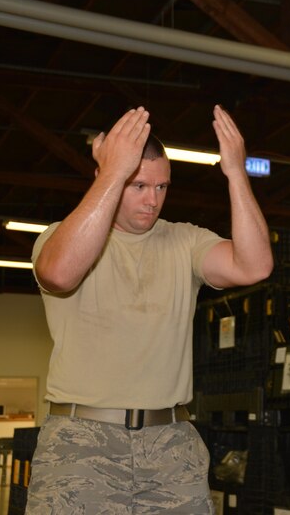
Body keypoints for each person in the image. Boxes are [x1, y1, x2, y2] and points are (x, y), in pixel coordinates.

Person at [27, 105, 273, 514]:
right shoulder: (62, 237)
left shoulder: (184, 241)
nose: (152, 200)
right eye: (138, 185)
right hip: (81, 443)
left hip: (170, 442)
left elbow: (255, 265)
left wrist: (235, 173)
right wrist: (112, 172)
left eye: (161, 188)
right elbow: (58, 274)